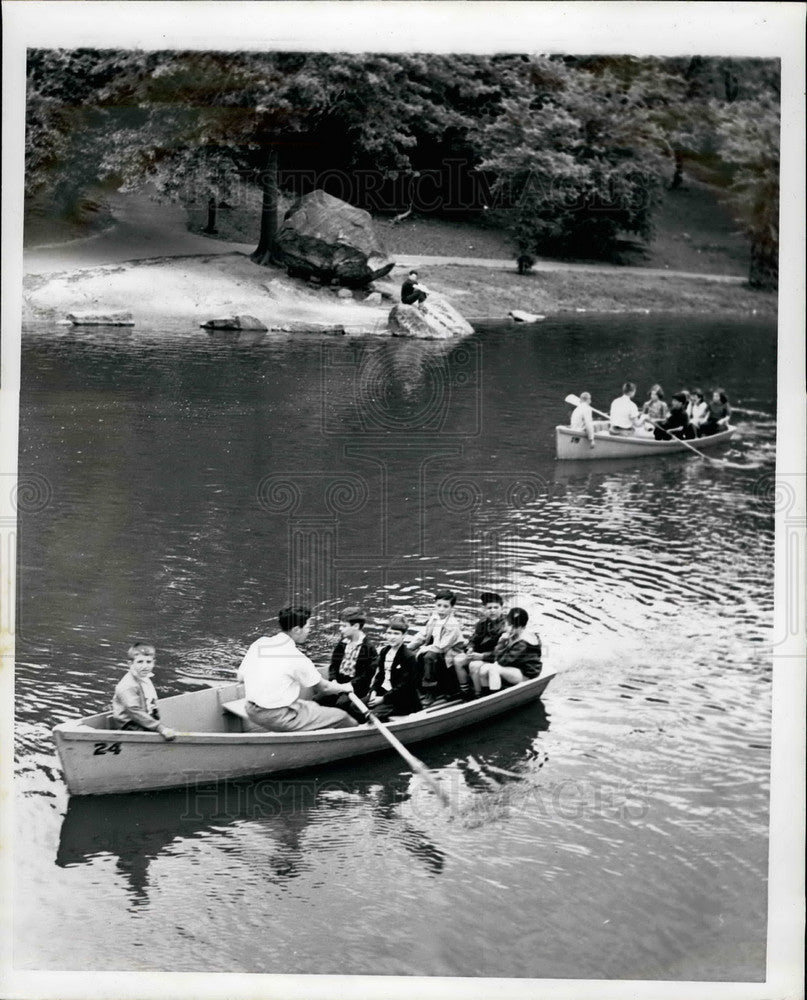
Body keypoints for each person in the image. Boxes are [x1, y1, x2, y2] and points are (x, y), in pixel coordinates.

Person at [237, 606, 359, 731]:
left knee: (313, 706)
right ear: (296, 629)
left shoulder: (260, 643)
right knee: (342, 717)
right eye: (307, 627)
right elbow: (324, 688)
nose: (309, 631)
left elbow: (240, 677)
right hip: (277, 716)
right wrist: (346, 687)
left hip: (251, 709)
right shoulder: (296, 657)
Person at [407, 589, 464, 706]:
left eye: (445, 606)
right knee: (411, 656)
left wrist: (424, 649)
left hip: (450, 652)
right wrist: (408, 648)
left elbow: (443, 646)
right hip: (436, 647)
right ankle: (417, 686)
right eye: (438, 605)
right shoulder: (434, 618)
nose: (441, 609)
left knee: (429, 657)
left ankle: (430, 690)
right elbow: (423, 634)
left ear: (452, 608)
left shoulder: (452, 624)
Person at [110, 641, 177, 739]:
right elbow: (134, 711)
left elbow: (150, 702)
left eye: (148, 662)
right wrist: (159, 727)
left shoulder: (144, 678)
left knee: (159, 725)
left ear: (154, 662)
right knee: (158, 735)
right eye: (140, 662)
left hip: (142, 717)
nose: (145, 666)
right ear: (130, 664)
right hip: (129, 724)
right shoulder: (128, 685)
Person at [468, 607, 542, 696]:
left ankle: (493, 700)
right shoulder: (515, 634)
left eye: (515, 627)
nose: (511, 629)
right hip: (514, 667)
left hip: (525, 674)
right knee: (482, 668)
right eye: (510, 625)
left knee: (492, 669)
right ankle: (482, 695)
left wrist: (501, 642)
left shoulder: (523, 642)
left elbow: (502, 661)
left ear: (523, 627)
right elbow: (500, 657)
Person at [324, 606, 378, 722]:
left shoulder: (368, 648)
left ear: (356, 626)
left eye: (343, 626)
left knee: (341, 703)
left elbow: (367, 675)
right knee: (319, 699)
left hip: (356, 688)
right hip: (339, 683)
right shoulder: (342, 643)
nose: (340, 629)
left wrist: (351, 685)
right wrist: (333, 679)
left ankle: (343, 726)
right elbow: (334, 664)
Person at [452, 592, 508, 700]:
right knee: (458, 660)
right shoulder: (482, 623)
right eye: (489, 608)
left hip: (494, 659)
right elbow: (473, 639)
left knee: (474, 665)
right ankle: (465, 691)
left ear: (502, 608)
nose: (492, 610)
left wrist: (482, 656)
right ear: (484, 609)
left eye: (496, 607)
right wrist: (470, 648)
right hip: (478, 654)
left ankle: (478, 694)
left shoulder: (506, 627)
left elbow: (503, 652)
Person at [365, 616, 422, 720]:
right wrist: (373, 691)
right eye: (389, 633)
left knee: (372, 716)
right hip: (384, 692)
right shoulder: (384, 651)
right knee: (354, 707)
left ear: (404, 635)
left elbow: (405, 686)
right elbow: (380, 675)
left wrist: (383, 699)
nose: (392, 637)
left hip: (402, 698)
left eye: (396, 634)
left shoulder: (408, 657)